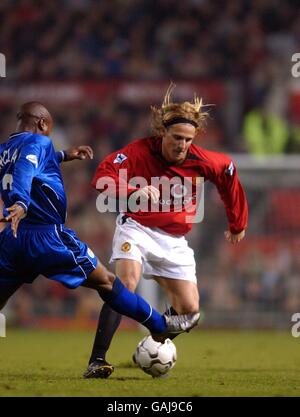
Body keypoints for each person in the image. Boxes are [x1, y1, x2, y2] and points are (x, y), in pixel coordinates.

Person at [0, 102, 201, 370]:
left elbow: (27, 162)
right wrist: (22, 202)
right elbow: (27, 169)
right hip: (46, 235)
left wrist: (64, 155)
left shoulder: (5, 150)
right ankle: (159, 325)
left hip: (13, 238)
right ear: (42, 124)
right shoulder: (38, 141)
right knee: (107, 282)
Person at [87, 84, 248, 378]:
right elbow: (101, 178)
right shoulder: (138, 151)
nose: (182, 145)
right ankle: (97, 360)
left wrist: (237, 222)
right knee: (125, 284)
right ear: (162, 132)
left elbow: (229, 174)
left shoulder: (205, 160)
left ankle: (150, 348)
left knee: (190, 311)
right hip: (136, 227)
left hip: (174, 240)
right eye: (176, 138)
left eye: (188, 139)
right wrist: (133, 189)